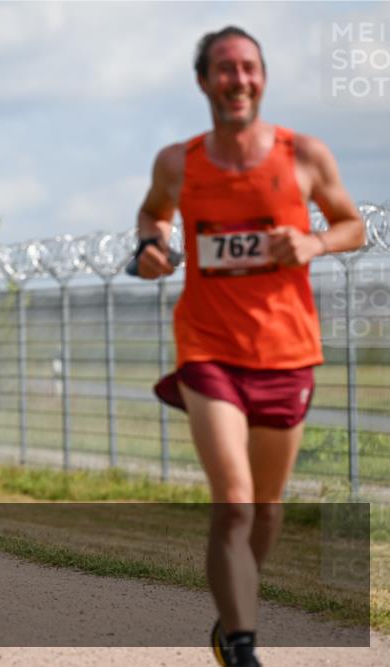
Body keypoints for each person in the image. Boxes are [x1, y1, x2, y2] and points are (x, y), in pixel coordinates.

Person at [133, 27, 364, 667]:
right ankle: (241, 646)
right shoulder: (179, 163)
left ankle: (231, 612)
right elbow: (153, 213)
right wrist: (151, 248)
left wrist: (315, 242)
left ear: (263, 78)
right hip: (207, 351)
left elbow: (353, 224)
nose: (239, 80)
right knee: (233, 500)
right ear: (203, 82)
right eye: (225, 70)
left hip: (287, 352)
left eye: (250, 68)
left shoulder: (304, 155)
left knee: (265, 510)